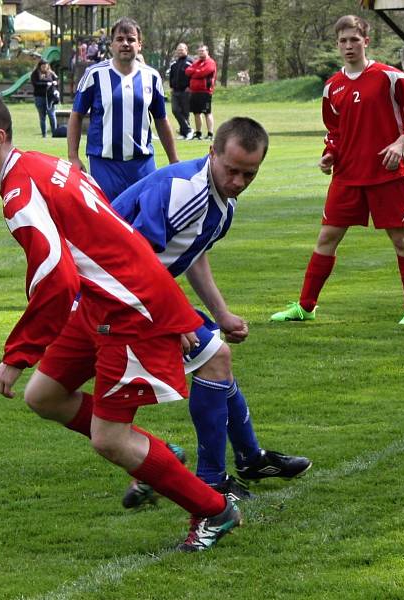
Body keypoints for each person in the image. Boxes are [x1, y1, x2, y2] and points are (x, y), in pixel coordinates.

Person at [0, 88, 241, 552]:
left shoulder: (22, 191)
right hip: (101, 305)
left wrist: (16, 357)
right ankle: (153, 454)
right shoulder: (40, 164)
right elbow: (110, 232)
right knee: (45, 396)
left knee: (108, 440)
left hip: (128, 313)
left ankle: (213, 510)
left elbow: (56, 278)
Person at [111, 118, 312, 507]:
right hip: (110, 293)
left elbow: (191, 252)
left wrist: (220, 312)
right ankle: (203, 477)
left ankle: (245, 459)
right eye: (231, 170)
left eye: (248, 174)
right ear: (212, 153)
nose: (237, 181)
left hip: (132, 290)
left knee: (52, 396)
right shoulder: (187, 192)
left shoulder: (221, 203)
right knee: (213, 358)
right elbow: (138, 258)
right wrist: (176, 318)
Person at [270, 15, 404, 326]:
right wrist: (329, 154)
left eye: (354, 40)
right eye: (343, 41)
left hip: (385, 173)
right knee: (326, 238)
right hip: (347, 176)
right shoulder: (332, 87)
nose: (348, 46)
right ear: (337, 45)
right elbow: (335, 131)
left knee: (401, 239)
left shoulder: (390, 77)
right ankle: (305, 306)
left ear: (366, 41)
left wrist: (400, 143)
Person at [68, 17, 179, 201]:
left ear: (140, 45)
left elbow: (161, 119)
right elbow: (76, 115)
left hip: (142, 163)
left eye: (131, 39)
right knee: (108, 219)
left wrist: (174, 160)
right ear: (111, 45)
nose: (125, 44)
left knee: (145, 218)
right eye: (120, 39)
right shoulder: (95, 75)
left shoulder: (151, 77)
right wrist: (73, 156)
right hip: (104, 163)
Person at [185, 45, 217, 140]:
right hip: (195, 91)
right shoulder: (197, 62)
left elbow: (202, 73)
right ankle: (198, 133)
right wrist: (196, 71)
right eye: (199, 51)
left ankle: (210, 133)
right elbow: (187, 71)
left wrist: (195, 72)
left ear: (207, 51)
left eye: (202, 51)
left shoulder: (210, 62)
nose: (200, 53)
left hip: (205, 91)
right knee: (196, 113)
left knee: (207, 112)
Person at [168, 43, 194, 140]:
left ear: (186, 50)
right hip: (175, 91)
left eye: (182, 50)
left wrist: (190, 86)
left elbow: (193, 76)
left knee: (185, 112)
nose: (180, 51)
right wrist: (171, 86)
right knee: (175, 110)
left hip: (186, 90)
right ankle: (188, 130)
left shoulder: (190, 62)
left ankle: (184, 133)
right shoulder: (174, 63)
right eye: (178, 50)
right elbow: (171, 76)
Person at [31, 60, 59, 138]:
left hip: (50, 97)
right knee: (42, 116)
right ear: (40, 66)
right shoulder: (35, 74)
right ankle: (44, 134)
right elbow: (35, 83)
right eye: (43, 66)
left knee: (52, 115)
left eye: (46, 66)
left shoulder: (51, 73)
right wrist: (46, 84)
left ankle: (55, 133)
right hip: (39, 97)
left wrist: (55, 83)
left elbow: (56, 81)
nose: (44, 68)